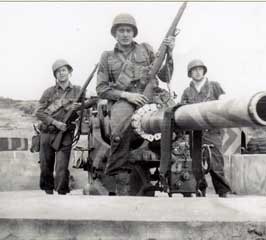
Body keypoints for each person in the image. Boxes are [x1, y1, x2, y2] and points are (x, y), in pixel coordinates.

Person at [96, 13, 175, 195]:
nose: (125, 34)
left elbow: (165, 76)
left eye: (128, 30)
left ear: (134, 33)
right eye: (121, 30)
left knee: (173, 122)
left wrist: (169, 54)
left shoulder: (146, 49)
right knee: (118, 133)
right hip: (124, 100)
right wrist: (127, 95)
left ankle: (167, 170)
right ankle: (119, 177)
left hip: (151, 97)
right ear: (115, 34)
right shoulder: (107, 56)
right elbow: (101, 89)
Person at [35, 59, 94, 195]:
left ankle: (62, 193)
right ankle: (48, 193)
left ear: (69, 72)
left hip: (65, 133)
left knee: (61, 166)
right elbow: (38, 112)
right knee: (45, 166)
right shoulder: (49, 92)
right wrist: (55, 123)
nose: (61, 74)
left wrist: (80, 106)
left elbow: (94, 99)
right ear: (55, 75)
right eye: (58, 72)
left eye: (64, 70)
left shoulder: (78, 90)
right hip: (47, 133)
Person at [181, 59, 231, 197]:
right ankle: (199, 189)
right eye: (193, 70)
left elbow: (223, 103)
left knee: (216, 162)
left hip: (213, 130)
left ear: (204, 70)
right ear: (190, 73)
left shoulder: (214, 86)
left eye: (199, 69)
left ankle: (222, 192)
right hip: (194, 132)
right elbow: (183, 110)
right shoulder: (187, 92)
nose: (197, 72)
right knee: (196, 163)